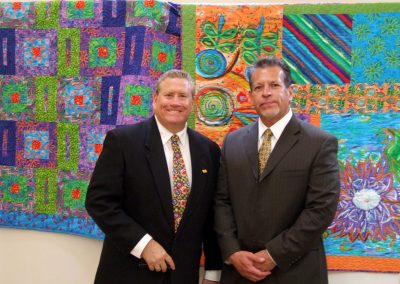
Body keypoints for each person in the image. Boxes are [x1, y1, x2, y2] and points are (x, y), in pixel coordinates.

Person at [86, 69, 222, 284]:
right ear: (155, 99)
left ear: (193, 103)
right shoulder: (123, 142)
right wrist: (144, 244)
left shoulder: (209, 151)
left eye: (183, 96)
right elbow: (99, 202)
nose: (175, 102)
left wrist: (214, 272)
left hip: (182, 275)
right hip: (129, 272)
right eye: (169, 95)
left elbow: (212, 215)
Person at [214, 56, 340, 284]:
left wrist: (274, 254)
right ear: (251, 96)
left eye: (274, 85)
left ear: (289, 92)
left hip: (295, 271)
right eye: (258, 87)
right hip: (239, 272)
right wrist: (232, 252)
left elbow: (321, 210)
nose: (266, 93)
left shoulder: (320, 143)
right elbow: (221, 201)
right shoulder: (233, 142)